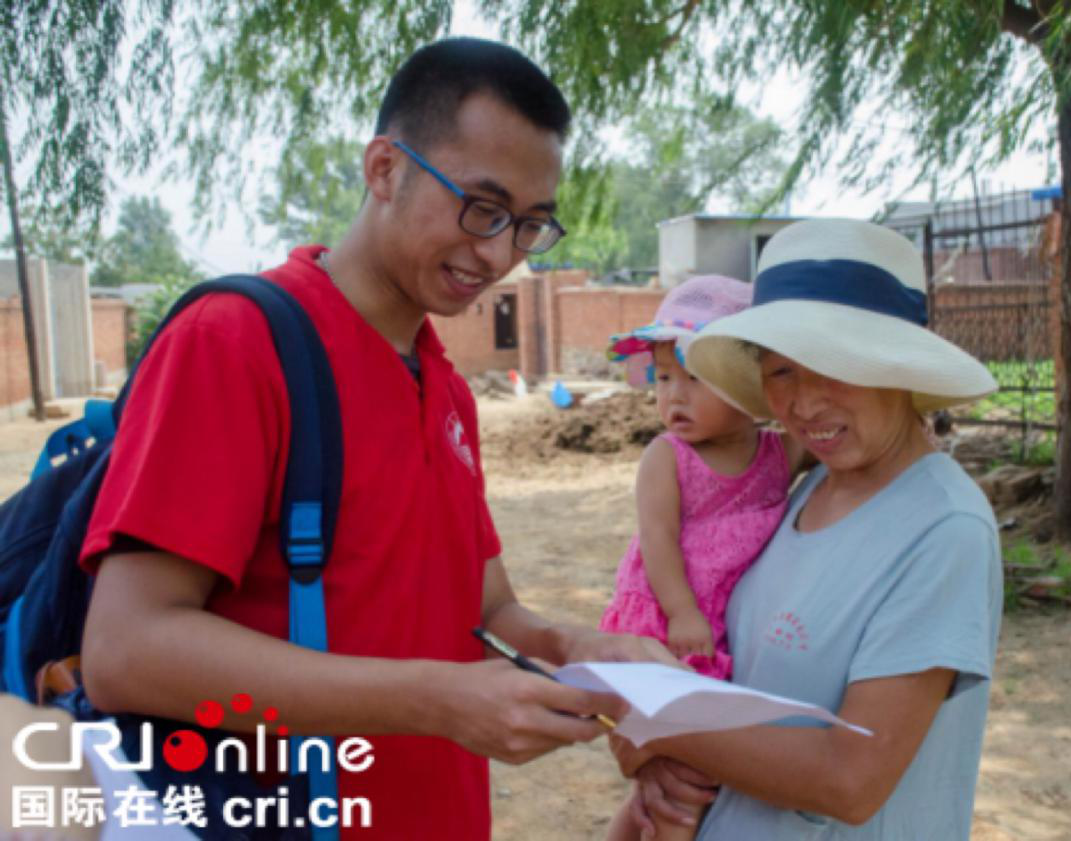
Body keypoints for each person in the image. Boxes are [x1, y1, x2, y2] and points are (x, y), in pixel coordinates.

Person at [76, 38, 672, 840]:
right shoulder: (236, 342)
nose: (497, 254)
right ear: (384, 169)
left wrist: (576, 646)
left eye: (529, 226)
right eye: (481, 208)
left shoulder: (447, 388)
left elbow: (485, 604)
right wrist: (437, 700)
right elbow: (126, 651)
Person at [610, 218, 1004, 841]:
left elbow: (849, 781)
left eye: (836, 364)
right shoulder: (807, 485)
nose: (805, 402)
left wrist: (657, 720)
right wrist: (654, 756)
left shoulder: (941, 531)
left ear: (896, 365)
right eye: (781, 369)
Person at [601, 276, 807, 840]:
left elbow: (824, 433)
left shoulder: (775, 454)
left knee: (680, 777)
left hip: (726, 633)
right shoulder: (665, 459)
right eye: (664, 377)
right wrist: (683, 612)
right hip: (673, 633)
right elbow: (657, 540)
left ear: (751, 388)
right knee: (682, 776)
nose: (674, 396)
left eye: (696, 378)